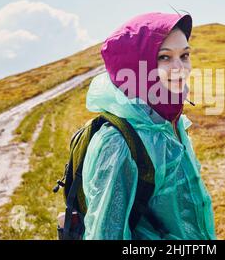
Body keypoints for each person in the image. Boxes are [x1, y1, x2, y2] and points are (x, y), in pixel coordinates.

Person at [82, 12, 216, 239]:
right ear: (136, 68)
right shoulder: (118, 144)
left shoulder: (170, 123)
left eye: (184, 55)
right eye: (164, 57)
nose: (180, 68)